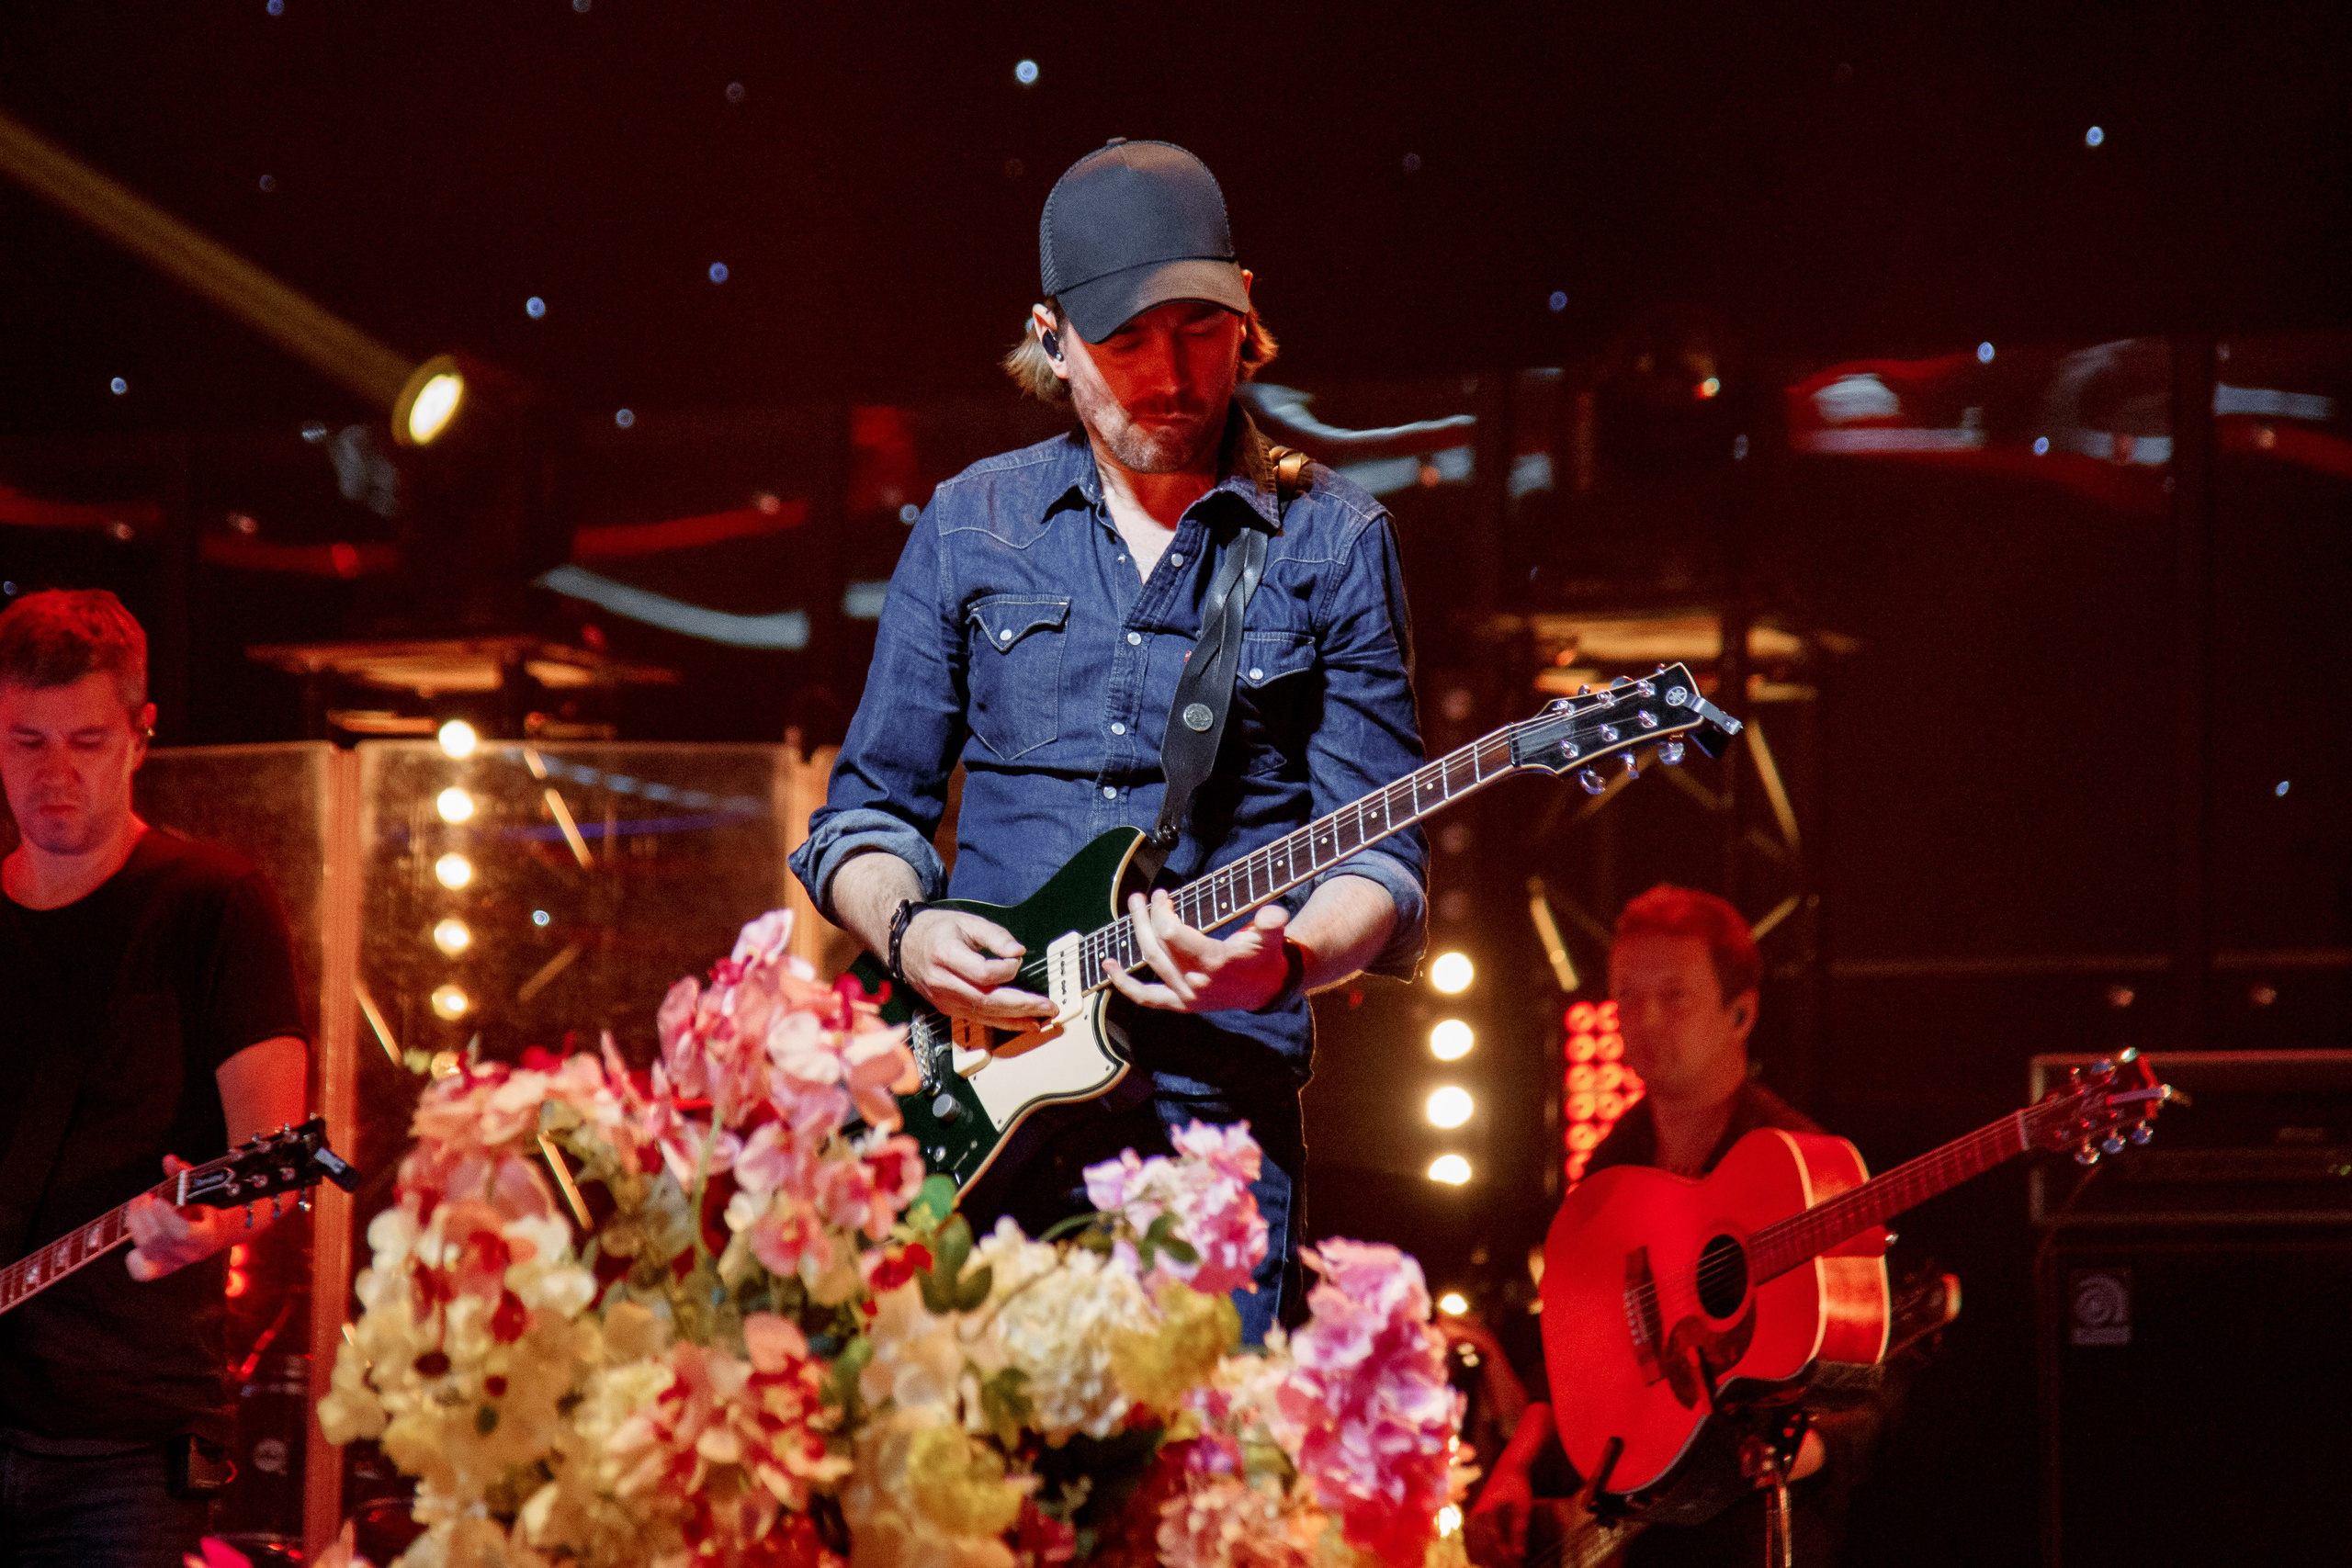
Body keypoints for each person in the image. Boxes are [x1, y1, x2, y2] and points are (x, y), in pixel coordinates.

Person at [789, 139, 1427, 1339]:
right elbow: (865, 819)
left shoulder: (1332, 541)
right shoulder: (972, 524)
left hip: (1211, 1128)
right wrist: (910, 926)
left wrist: (1287, 959)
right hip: (970, 1111)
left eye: (1199, 328)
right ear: (1052, 336)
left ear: (1248, 315)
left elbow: (1379, 859)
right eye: (1125, 340)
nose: (1170, 373)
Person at [0, 590, 309, 1566]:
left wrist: (206, 1227)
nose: (54, 775)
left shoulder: (214, 906)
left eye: (87, 742)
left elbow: (279, 1168)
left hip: (130, 1435)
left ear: (141, 736)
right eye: (25, 742)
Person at [1469, 885, 1889, 1568]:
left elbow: (1871, 1379)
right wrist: (1512, 1470)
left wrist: (1808, 1446)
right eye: (1627, 995)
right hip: (1635, 1533)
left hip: (1748, 1535)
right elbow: (1574, 1355)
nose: (1644, 1018)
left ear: (1741, 1011)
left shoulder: (1795, 1163)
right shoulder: (1615, 1163)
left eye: (1674, 995)